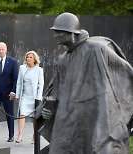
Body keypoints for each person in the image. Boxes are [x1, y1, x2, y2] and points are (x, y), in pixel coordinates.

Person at [40, 13, 133, 154]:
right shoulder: (61, 60)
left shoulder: (96, 49)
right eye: (55, 32)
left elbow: (124, 73)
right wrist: (48, 110)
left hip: (95, 114)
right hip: (67, 119)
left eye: (59, 32)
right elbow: (55, 92)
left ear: (72, 32)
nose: (55, 35)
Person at [15, 51, 44, 143]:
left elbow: (41, 84)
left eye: (30, 57)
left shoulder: (39, 70)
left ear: (34, 59)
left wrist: (38, 98)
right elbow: (19, 83)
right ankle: (20, 135)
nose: (28, 59)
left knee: (35, 117)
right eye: (27, 57)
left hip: (34, 97)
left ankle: (35, 136)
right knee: (22, 114)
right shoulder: (22, 68)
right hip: (25, 96)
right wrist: (17, 95)